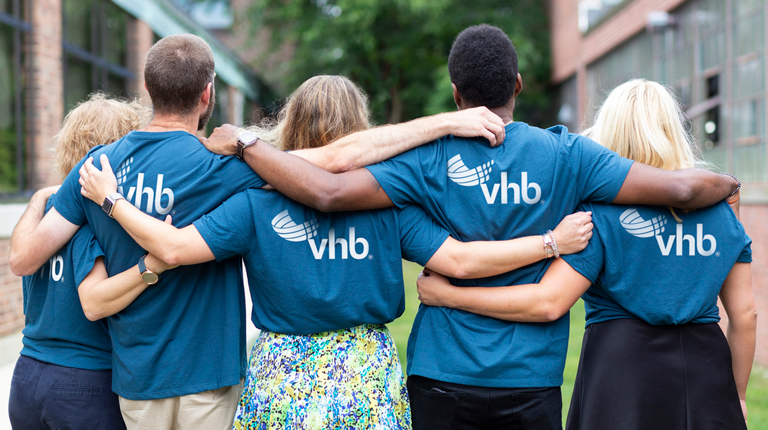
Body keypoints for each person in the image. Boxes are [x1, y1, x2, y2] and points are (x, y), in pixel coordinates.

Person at [196, 25, 740, 429]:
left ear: (456, 93)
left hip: (442, 371)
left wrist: (248, 145)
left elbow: (328, 188)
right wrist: (730, 185)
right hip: (530, 376)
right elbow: (683, 189)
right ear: (519, 86)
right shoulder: (567, 155)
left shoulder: (426, 159)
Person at [7, 34, 514, 429]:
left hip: (180, 377)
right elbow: (340, 163)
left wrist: (74, 201)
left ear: (147, 90)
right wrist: (449, 123)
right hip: (306, 375)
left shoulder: (107, 170)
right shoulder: (234, 173)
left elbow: (26, 259)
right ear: (208, 94)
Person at [77, 74, 593, 429]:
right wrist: (549, 243)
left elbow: (170, 246)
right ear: (363, 127)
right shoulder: (388, 205)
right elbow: (460, 261)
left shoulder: (252, 204)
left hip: (284, 378)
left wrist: (113, 199)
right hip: (365, 374)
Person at [416, 79, 756, 430]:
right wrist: (740, 395)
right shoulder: (722, 211)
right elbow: (745, 315)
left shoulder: (598, 216)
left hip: (621, 377)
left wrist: (451, 296)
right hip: (707, 377)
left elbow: (547, 302)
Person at [7, 93, 172, 429]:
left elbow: (18, 258)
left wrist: (38, 198)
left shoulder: (42, 223)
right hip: (83, 383)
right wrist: (150, 267)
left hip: (26, 377)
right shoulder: (97, 224)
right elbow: (94, 300)